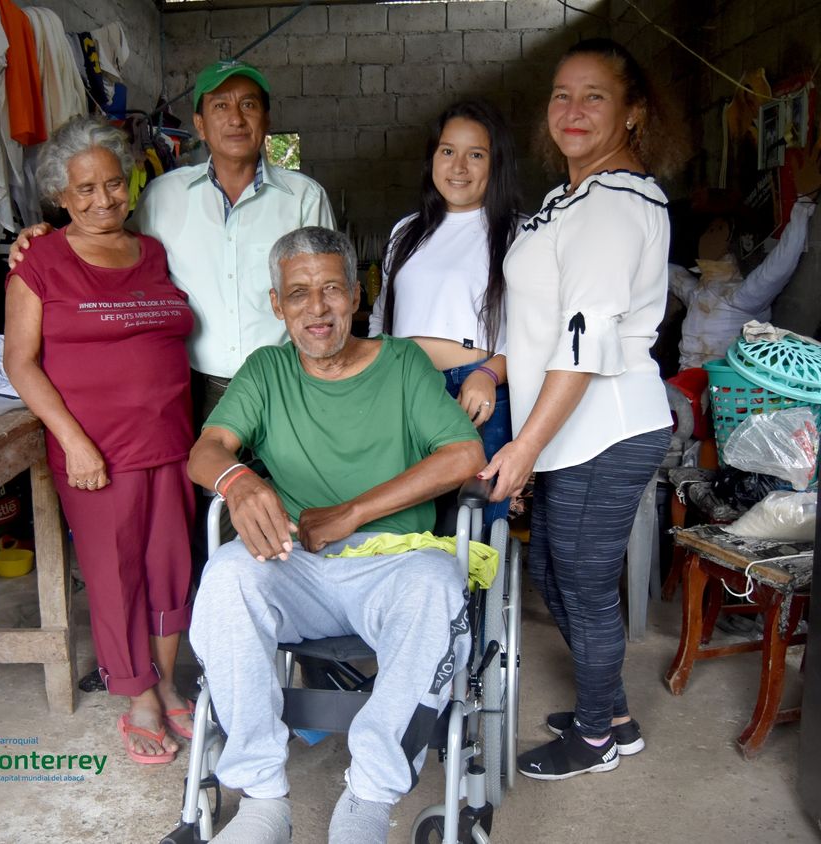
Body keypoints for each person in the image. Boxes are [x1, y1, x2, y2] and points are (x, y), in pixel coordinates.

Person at [187, 226, 485, 843]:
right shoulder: (267, 370)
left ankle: (368, 801)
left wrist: (351, 513)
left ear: (355, 294)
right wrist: (238, 480)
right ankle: (262, 803)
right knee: (226, 576)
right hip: (295, 564)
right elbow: (207, 449)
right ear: (278, 304)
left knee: (438, 582)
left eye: (331, 289)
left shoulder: (401, 364)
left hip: (393, 565)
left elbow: (463, 455)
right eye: (298, 294)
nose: (316, 308)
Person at [480, 38, 687, 780]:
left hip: (606, 425)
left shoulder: (615, 205)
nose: (572, 110)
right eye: (561, 95)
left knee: (583, 584)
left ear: (633, 113)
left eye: (594, 95)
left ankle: (597, 737)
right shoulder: (569, 199)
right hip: (573, 427)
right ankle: (615, 717)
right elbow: (540, 332)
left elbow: (582, 345)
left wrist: (524, 448)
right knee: (553, 569)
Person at [3, 115, 197, 764]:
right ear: (60, 195)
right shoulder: (39, 261)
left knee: (170, 568)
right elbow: (20, 361)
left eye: (112, 184)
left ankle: (165, 680)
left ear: (130, 182)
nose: (102, 199)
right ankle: (137, 694)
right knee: (115, 576)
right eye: (84, 189)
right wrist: (72, 441)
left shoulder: (153, 253)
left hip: (170, 441)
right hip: (96, 451)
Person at [10, 59, 336, 424]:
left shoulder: (304, 198)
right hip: (196, 389)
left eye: (248, 104)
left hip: (286, 382)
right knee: (202, 464)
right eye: (220, 106)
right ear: (200, 124)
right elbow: (108, 240)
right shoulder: (163, 195)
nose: (236, 119)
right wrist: (46, 239)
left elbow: (328, 295)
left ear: (267, 119)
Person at [368, 101, 521, 529]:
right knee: (404, 519)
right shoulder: (406, 231)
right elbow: (381, 315)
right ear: (432, 158)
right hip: (405, 388)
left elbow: (537, 330)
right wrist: (379, 372)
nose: (459, 167)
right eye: (447, 151)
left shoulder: (516, 232)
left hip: (475, 390)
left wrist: (490, 373)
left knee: (472, 525)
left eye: (476, 154)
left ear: (496, 163)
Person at [670, 192, 817, 370]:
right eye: (710, 230)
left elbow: (780, 265)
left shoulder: (739, 296)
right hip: (687, 374)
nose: (710, 235)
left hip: (723, 377)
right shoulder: (699, 291)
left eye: (719, 229)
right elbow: (673, 275)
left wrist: (801, 211)